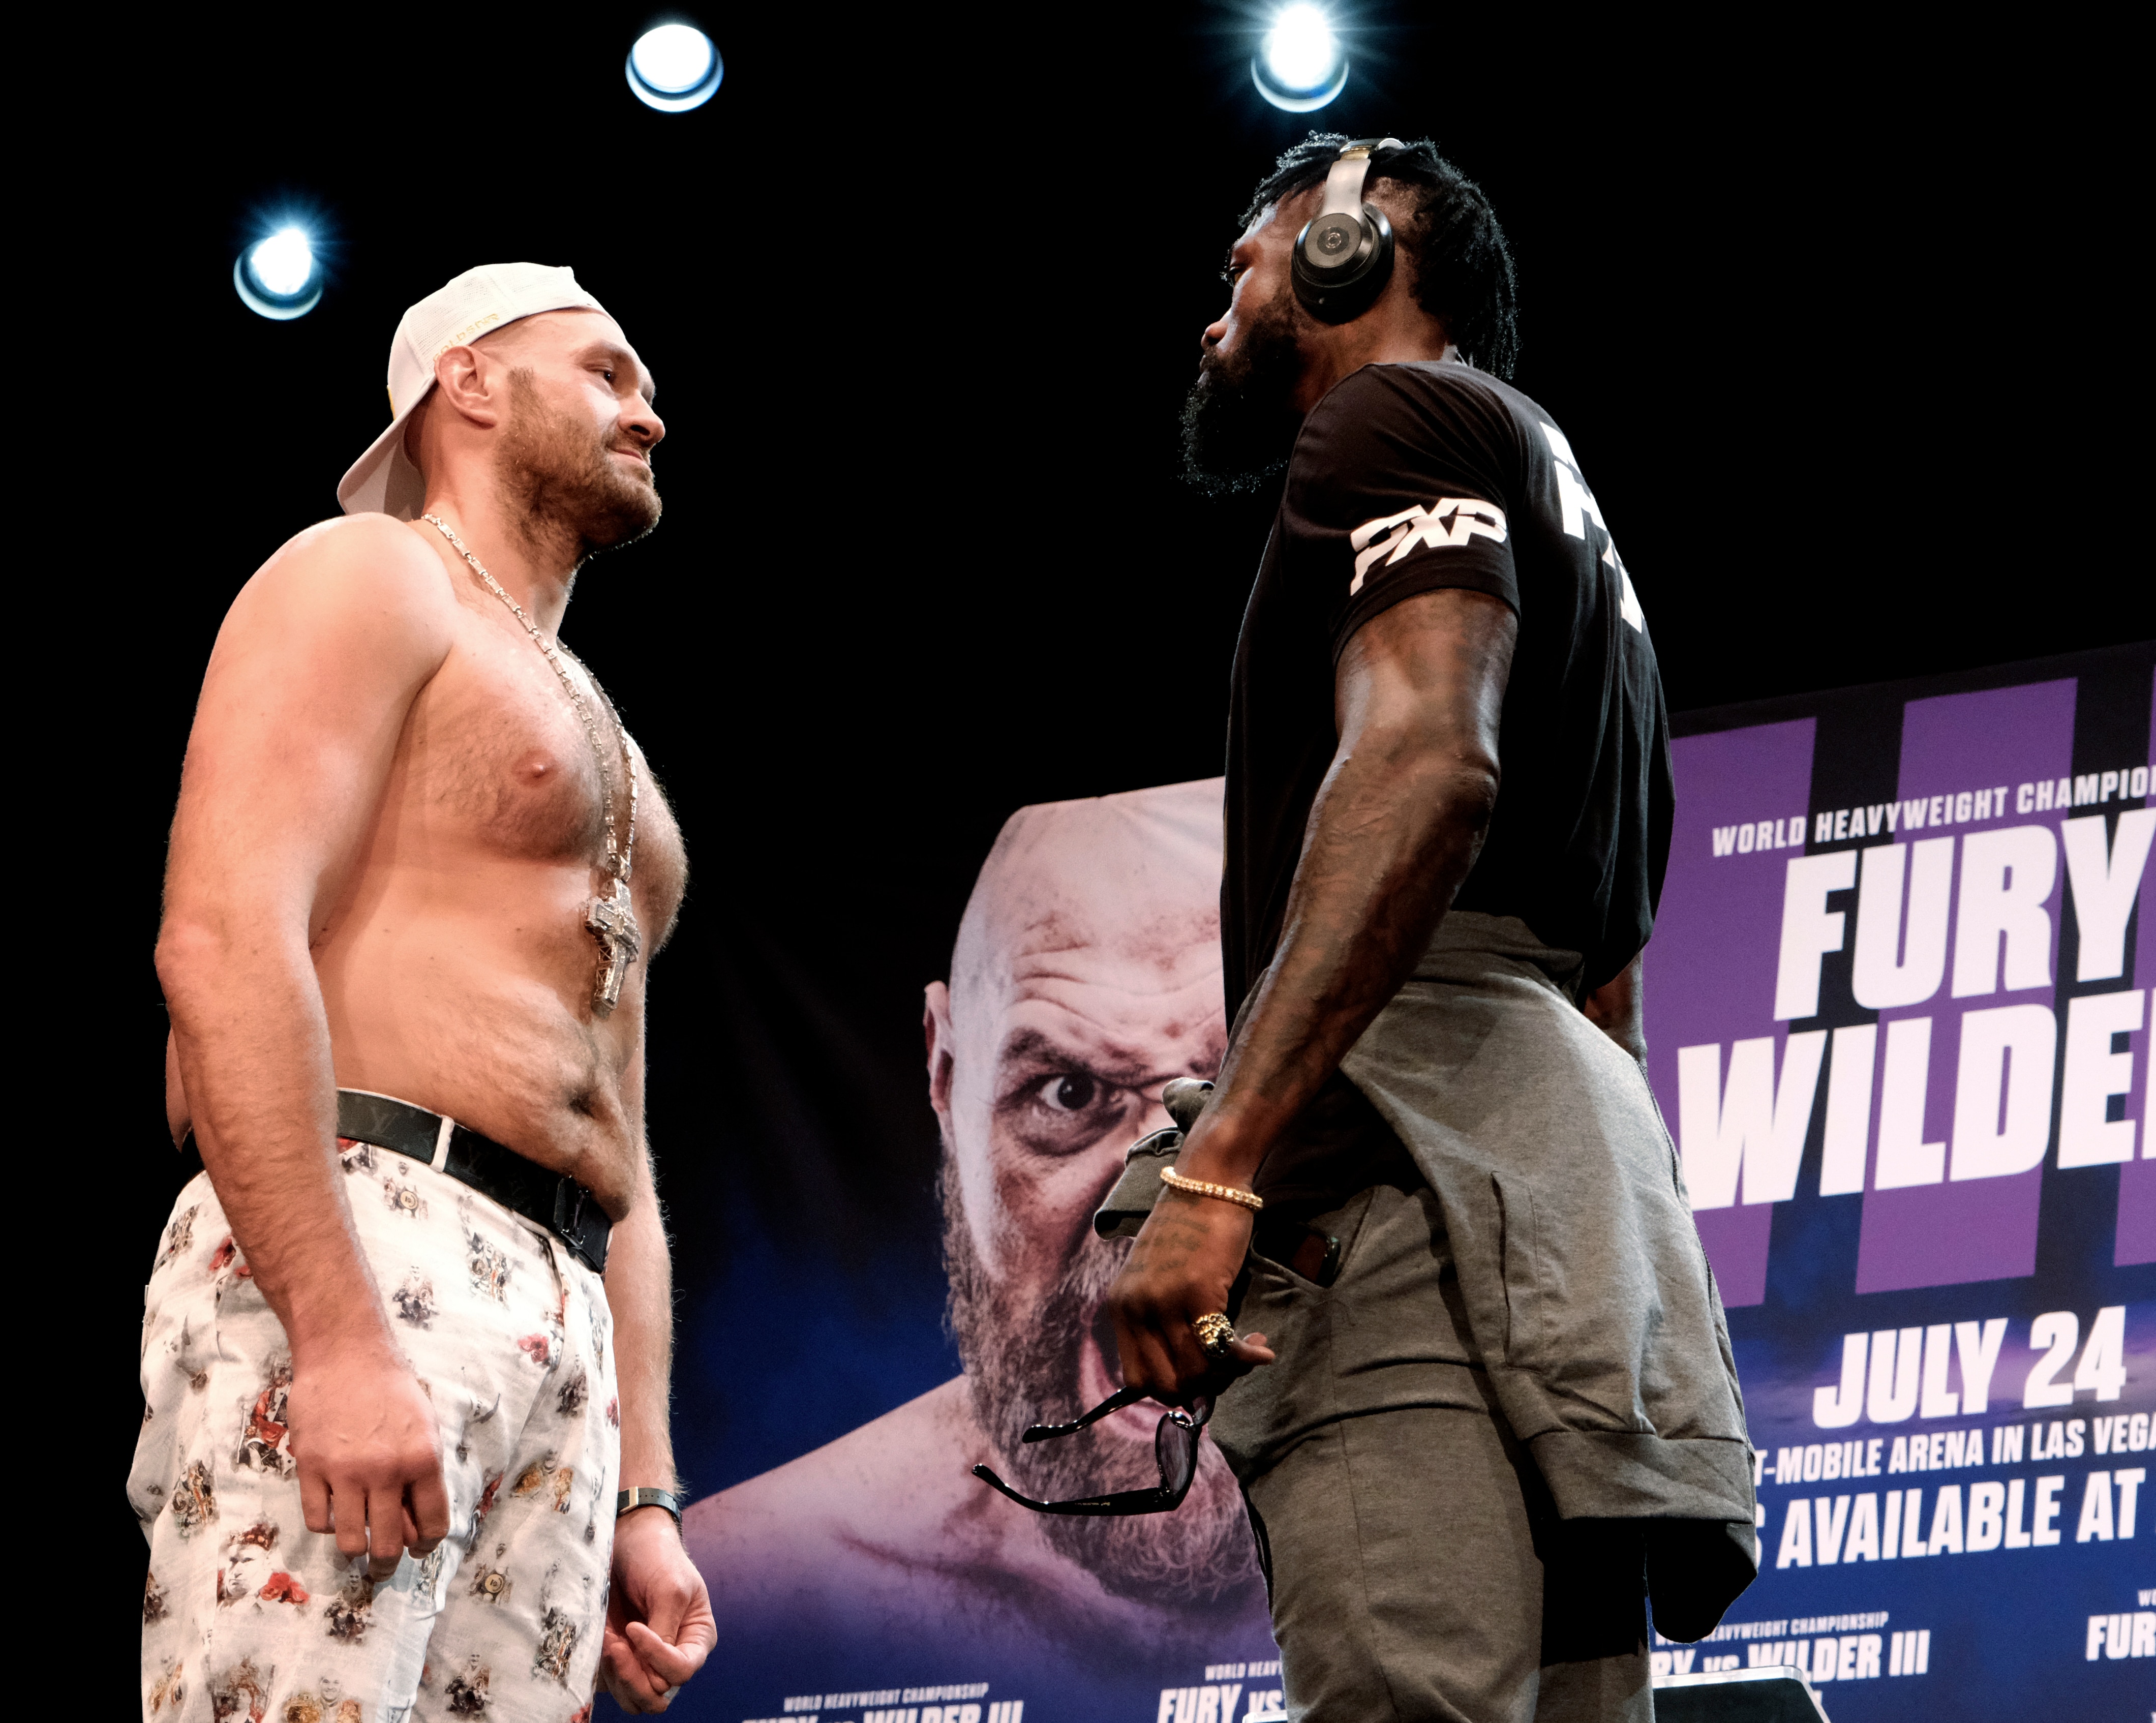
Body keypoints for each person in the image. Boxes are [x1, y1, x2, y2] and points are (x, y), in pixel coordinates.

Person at [1110, 135, 1758, 1721]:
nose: (1217, 313)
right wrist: (1571, 1240)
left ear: (1353, 245)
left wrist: (1222, 1161)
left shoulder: (1388, 417)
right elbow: (1608, 986)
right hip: (1567, 1228)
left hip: (1405, 1210)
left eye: (1245, 265)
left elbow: (1424, 764)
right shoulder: (1570, 523)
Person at [134, 263, 716, 1722]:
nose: (648, 413)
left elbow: (620, 1139)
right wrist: (333, 1330)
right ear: (469, 381)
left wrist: (644, 1486)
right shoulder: (369, 573)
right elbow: (221, 937)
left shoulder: (602, 732)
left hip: (560, 1301)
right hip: (369, 1228)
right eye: (606, 371)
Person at [684, 780, 1278, 1707]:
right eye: (1070, 1094)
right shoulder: (743, 1593)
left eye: (1232, 1086)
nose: (1159, 1201)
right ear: (945, 1072)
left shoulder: (1478, 1536)